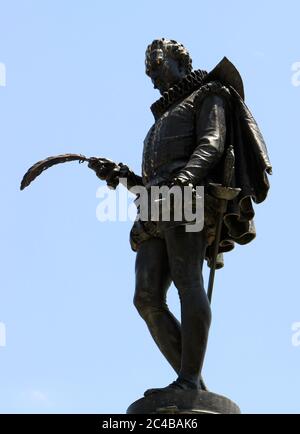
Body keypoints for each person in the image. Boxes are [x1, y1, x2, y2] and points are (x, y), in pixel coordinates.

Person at [88, 38, 272, 394]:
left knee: (189, 282)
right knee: (145, 298)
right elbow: (152, 182)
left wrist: (185, 178)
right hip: (155, 206)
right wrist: (123, 178)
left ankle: (188, 380)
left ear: (180, 62)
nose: (153, 77)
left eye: (157, 66)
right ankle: (193, 385)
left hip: (187, 200)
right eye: (148, 72)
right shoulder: (157, 123)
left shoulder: (209, 94)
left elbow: (213, 143)